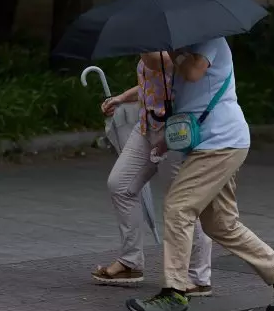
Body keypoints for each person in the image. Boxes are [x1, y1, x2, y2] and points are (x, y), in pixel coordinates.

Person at [125, 37, 274, 311]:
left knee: (178, 208)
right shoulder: (184, 47)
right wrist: (167, 138)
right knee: (220, 223)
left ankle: (174, 295)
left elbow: (193, 72)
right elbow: (190, 99)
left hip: (221, 142)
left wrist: (172, 53)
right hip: (209, 143)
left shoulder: (211, 39)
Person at [91, 50, 214, 297]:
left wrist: (141, 38)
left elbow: (157, 63)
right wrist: (122, 98)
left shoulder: (168, 52)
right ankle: (131, 261)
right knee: (120, 185)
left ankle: (199, 276)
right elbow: (148, 83)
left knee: (181, 203)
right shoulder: (151, 43)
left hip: (175, 131)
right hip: (147, 126)